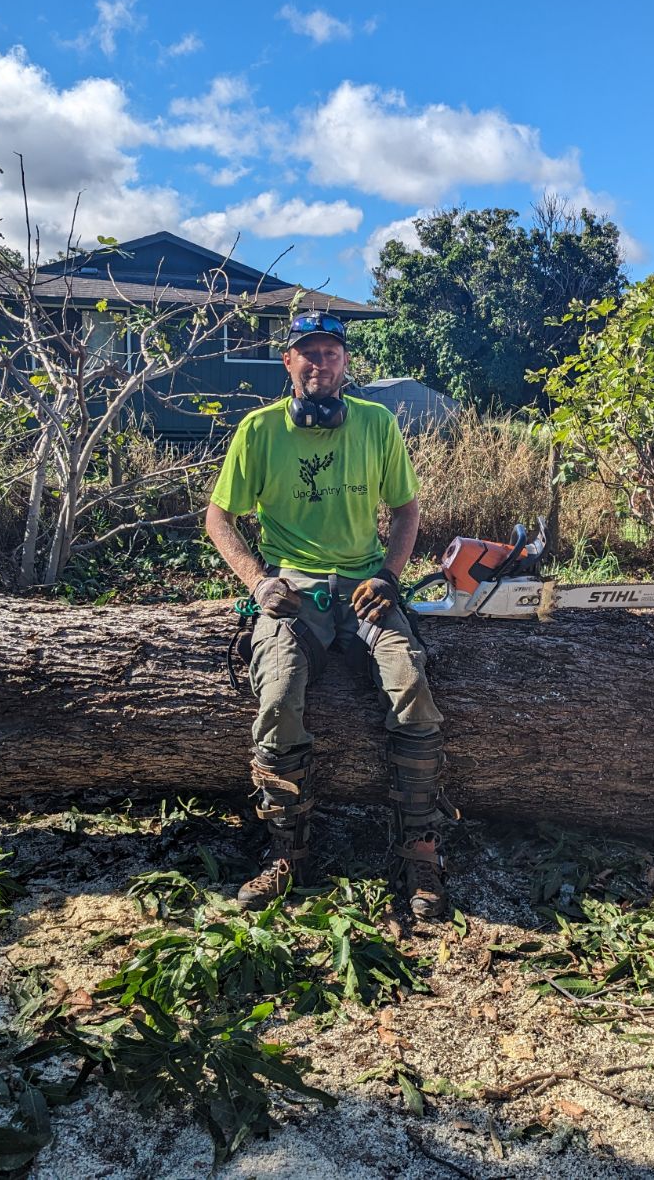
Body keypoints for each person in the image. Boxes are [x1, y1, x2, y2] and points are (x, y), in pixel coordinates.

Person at [204, 311, 455, 919]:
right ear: (288, 363)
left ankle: (420, 853)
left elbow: (406, 510)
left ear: (346, 362)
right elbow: (219, 519)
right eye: (307, 353)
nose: (321, 363)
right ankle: (290, 852)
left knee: (411, 687)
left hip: (366, 587)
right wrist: (259, 583)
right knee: (280, 692)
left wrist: (388, 577)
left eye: (332, 353)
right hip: (293, 591)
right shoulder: (259, 430)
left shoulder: (377, 423)